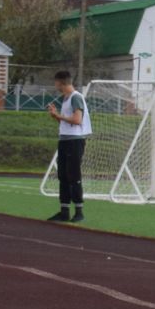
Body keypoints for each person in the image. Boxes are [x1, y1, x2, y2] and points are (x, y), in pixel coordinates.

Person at [45, 69, 88, 223]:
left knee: (73, 175)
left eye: (56, 82)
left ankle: (79, 211)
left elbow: (77, 120)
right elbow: (66, 122)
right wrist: (56, 115)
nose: (55, 85)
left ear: (60, 82)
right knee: (63, 175)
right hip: (64, 140)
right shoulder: (66, 99)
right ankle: (64, 211)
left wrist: (59, 115)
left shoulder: (76, 97)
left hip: (74, 141)